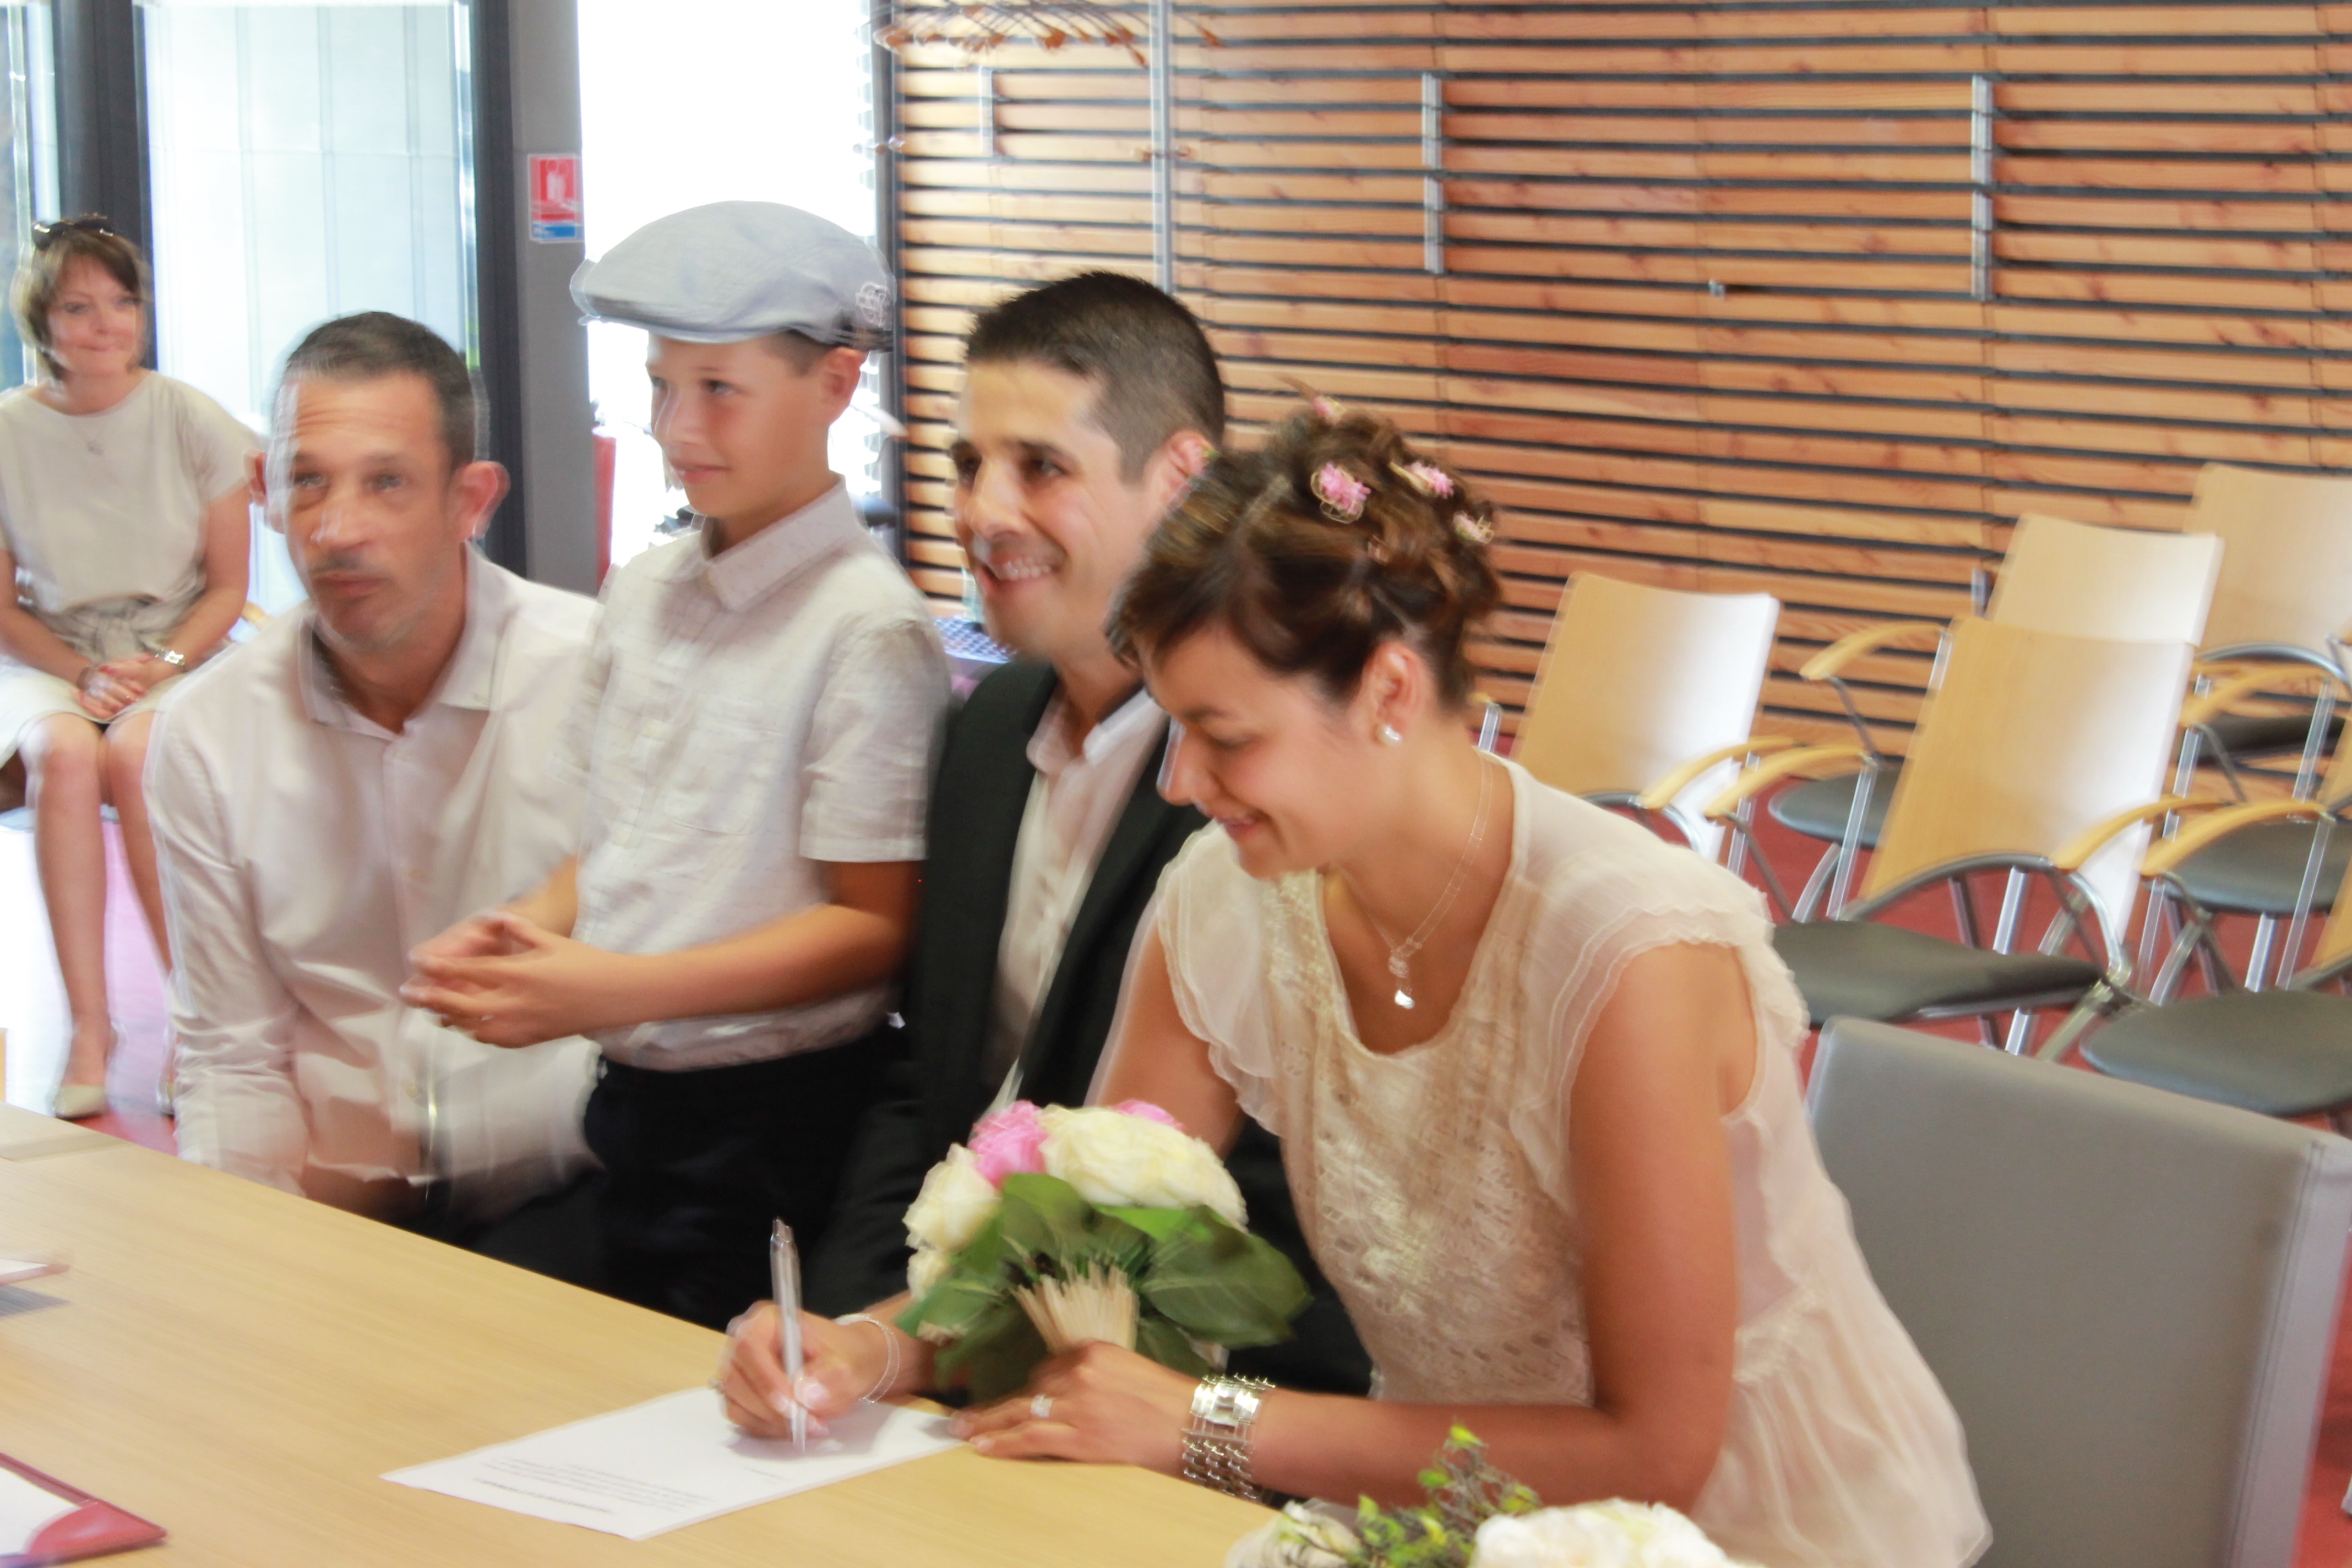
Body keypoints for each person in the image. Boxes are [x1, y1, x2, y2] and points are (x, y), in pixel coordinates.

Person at [728, 404, 1989, 1568]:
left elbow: (1655, 1451)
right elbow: (1088, 1235)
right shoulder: (1230, 899)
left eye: (1225, 736)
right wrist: (876, 1345)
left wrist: (1206, 1421)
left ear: (1388, 690)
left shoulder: (1624, 952)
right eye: (1174, 727)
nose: (1180, 785)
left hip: (1736, 1530)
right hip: (1438, 1514)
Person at [788, 272, 1368, 1396]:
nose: (983, 512)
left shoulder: (1264, 790)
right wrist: (848, 1324)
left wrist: (911, 1349)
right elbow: (930, 1084)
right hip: (949, 1336)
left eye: (1042, 467)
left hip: (1199, 1363)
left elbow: (1246, 1196)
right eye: (968, 465)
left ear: (1181, 478)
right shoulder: (989, 722)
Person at [404, 203, 951, 1330]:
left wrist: (610, 988)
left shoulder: (868, 625)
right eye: (661, 386)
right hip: (629, 1101)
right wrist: (525, 931)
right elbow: (615, 847)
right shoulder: (645, 588)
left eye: (719, 390)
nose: (676, 426)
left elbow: (872, 927)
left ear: (837, 384)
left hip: (773, 1124)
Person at [148, 312, 600, 1248]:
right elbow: (231, 1056)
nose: (337, 530)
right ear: (264, 492)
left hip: (582, 1194)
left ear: (471, 499)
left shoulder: (597, 677)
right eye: (307, 481)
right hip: (333, 1212)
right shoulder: (207, 732)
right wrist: (242, 1247)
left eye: (387, 483)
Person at [0, 215, 256, 1119]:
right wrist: (81, 673)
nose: (105, 324)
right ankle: (89, 1030)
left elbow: (229, 589)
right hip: (55, 653)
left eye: (121, 303)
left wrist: (160, 664)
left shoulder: (190, 416)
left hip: (179, 647)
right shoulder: (7, 430)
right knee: (63, 754)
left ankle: (194, 1020)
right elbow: (3, 610)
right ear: (42, 322)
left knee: (139, 753)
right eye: (79, 307)